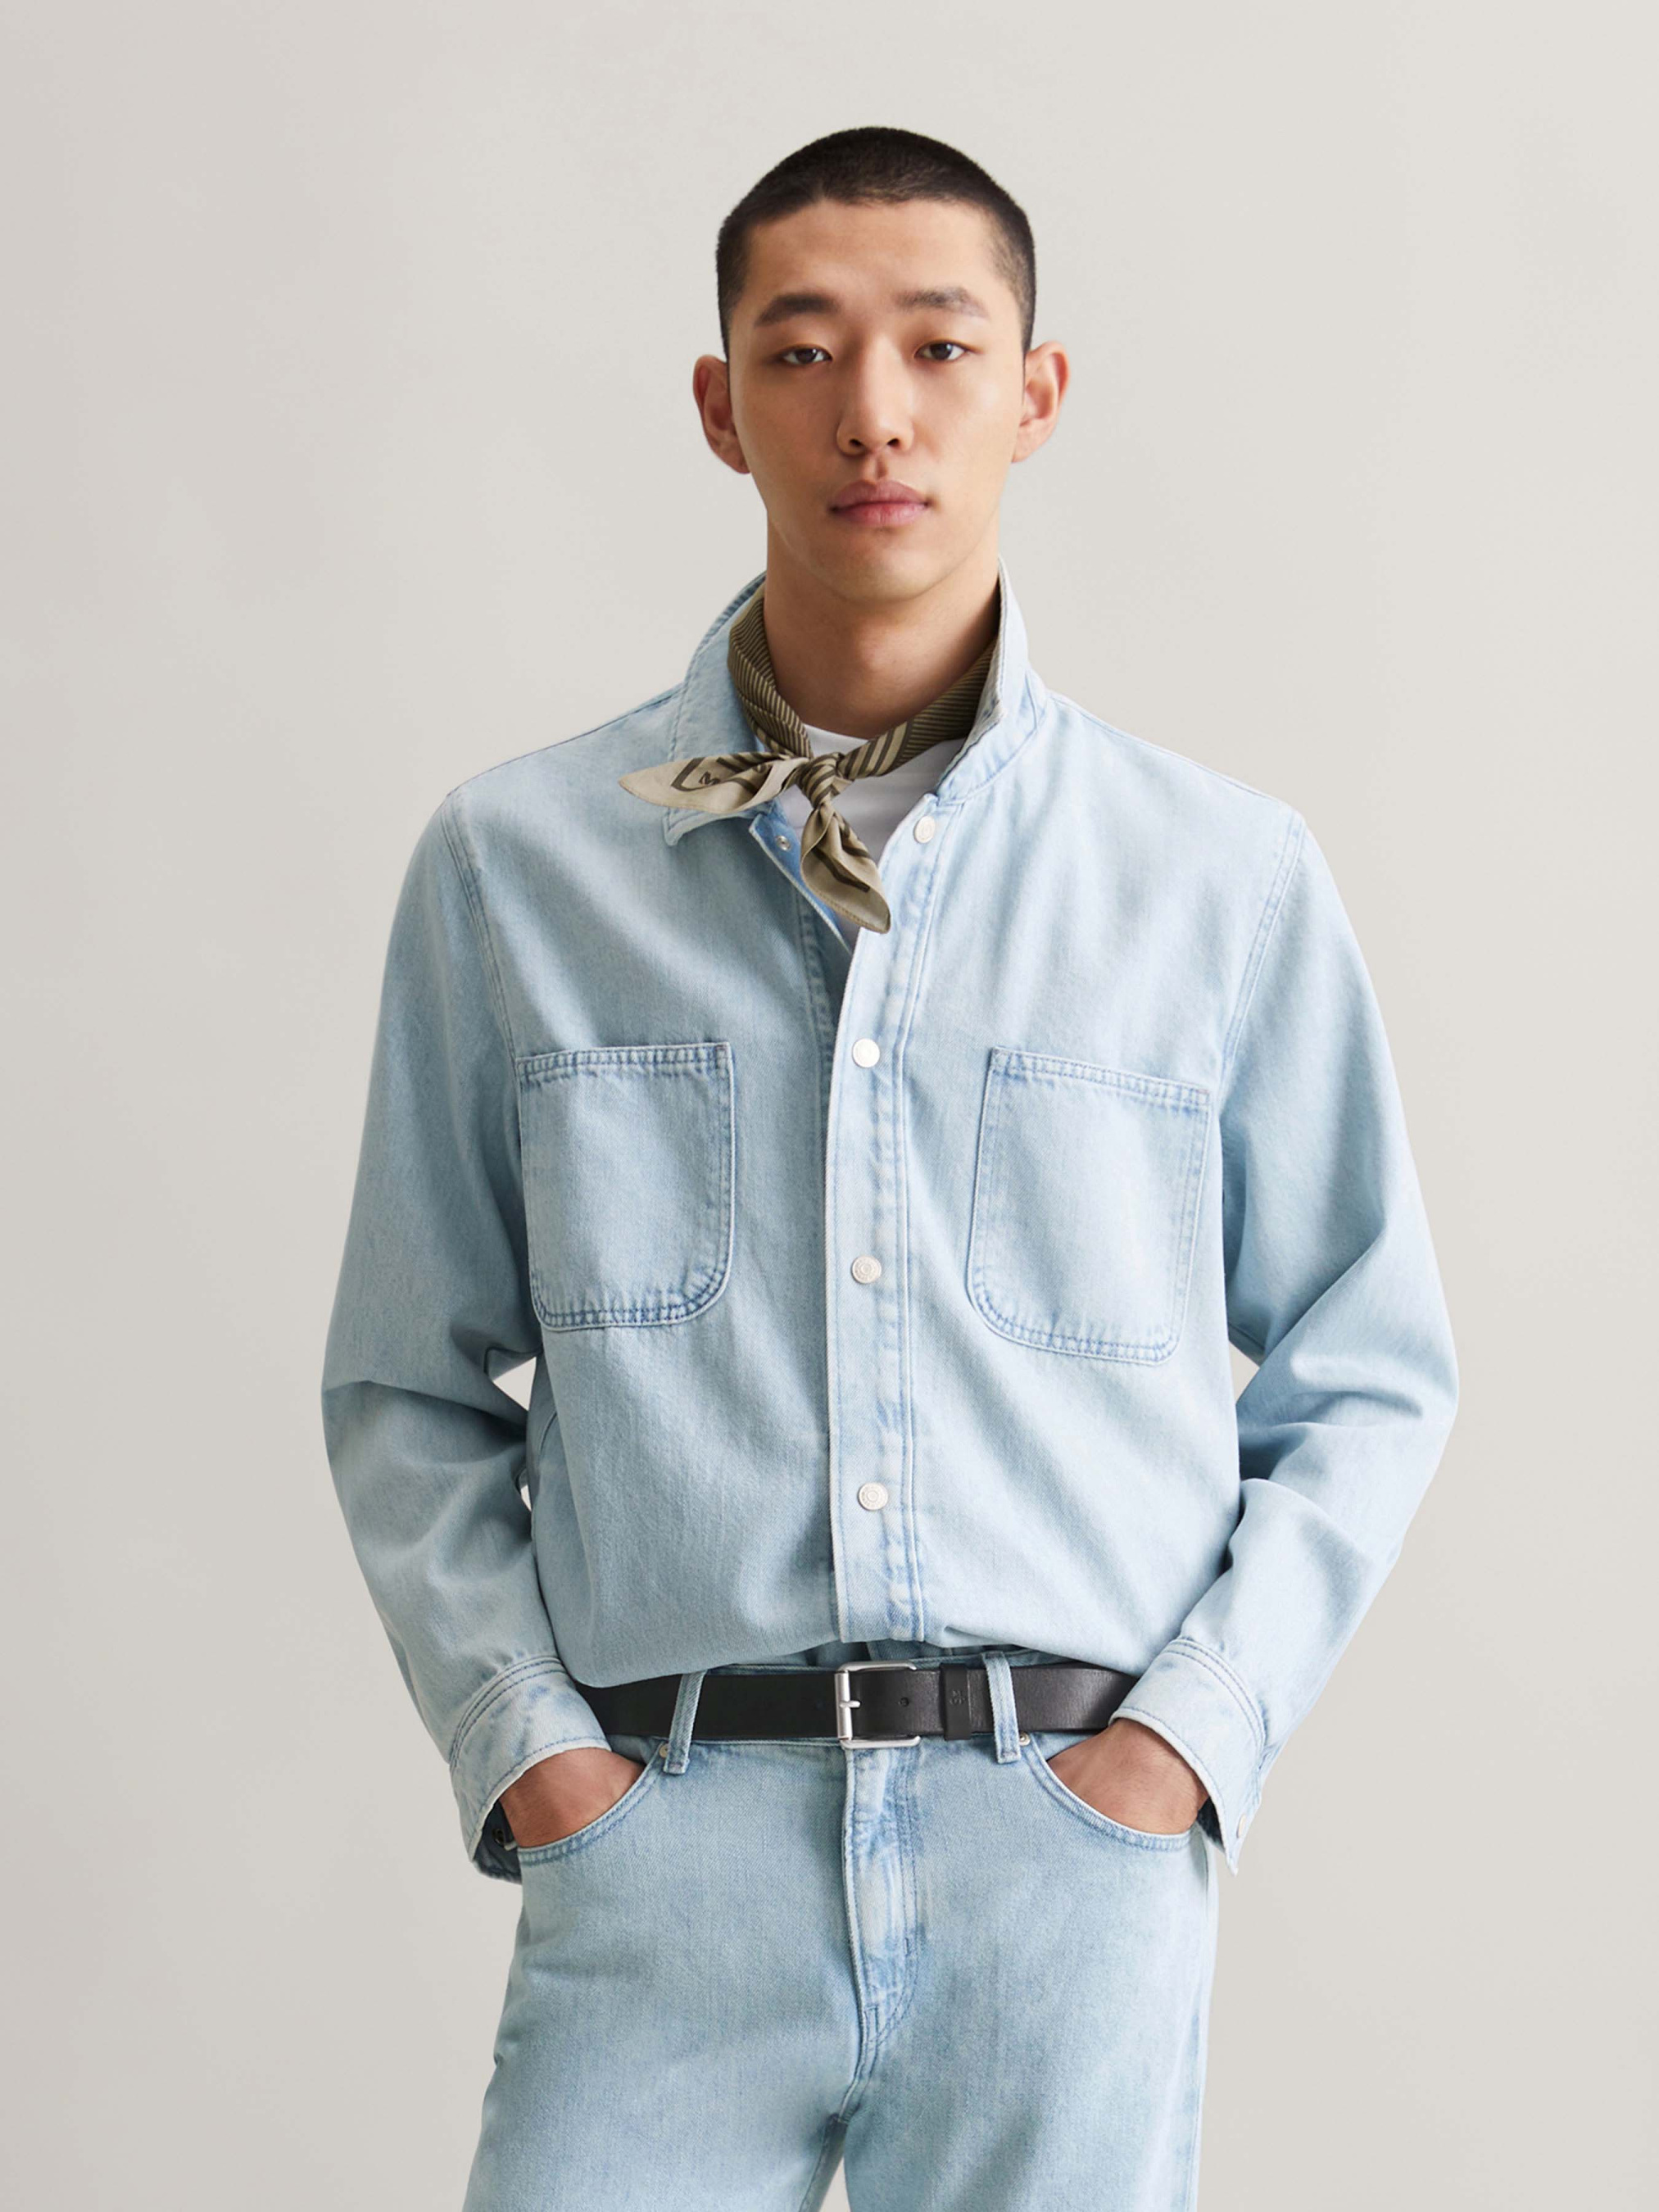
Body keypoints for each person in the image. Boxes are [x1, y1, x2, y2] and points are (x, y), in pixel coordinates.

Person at [321, 125, 1457, 2212]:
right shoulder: (520, 867)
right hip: (663, 1855)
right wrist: (536, 1756)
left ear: (1034, 392)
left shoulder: (1210, 879)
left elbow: (1370, 1368)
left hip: (1065, 1864)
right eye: (802, 349)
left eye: (939, 346)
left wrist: (1182, 1747)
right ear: (717, 402)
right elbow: (403, 1380)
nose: (872, 412)